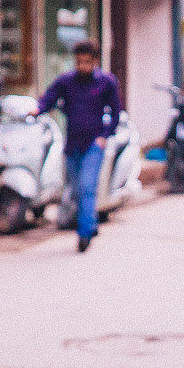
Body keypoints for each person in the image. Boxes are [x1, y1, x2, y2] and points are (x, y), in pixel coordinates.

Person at [32, 39, 122, 253]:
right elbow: (49, 98)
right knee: (76, 189)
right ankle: (90, 225)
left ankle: (83, 235)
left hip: (93, 144)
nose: (82, 66)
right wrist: (37, 109)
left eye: (87, 62)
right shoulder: (66, 81)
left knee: (87, 187)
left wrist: (105, 135)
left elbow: (116, 112)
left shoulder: (107, 82)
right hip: (72, 145)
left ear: (95, 61)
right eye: (79, 62)